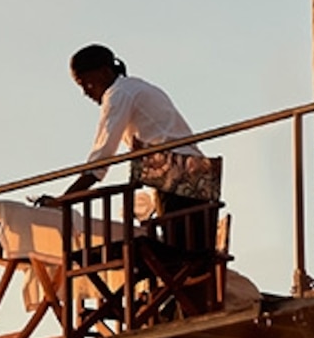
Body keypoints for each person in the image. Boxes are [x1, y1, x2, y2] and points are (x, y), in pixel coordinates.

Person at [60, 47, 212, 216]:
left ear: (104, 73)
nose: (86, 92)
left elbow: (101, 158)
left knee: (176, 231)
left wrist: (63, 200)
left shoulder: (117, 94)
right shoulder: (137, 87)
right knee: (194, 232)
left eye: (87, 84)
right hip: (199, 173)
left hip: (175, 174)